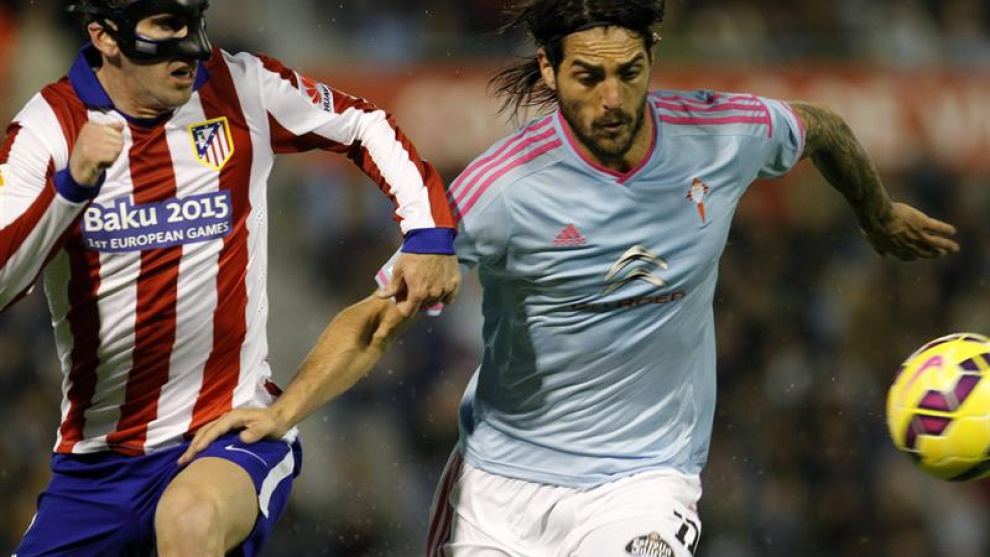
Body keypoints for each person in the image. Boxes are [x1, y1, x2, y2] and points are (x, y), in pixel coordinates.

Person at [183, 0, 962, 555]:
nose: (613, 98)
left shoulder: (722, 134)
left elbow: (821, 126)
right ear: (549, 71)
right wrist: (283, 410)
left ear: (653, 56)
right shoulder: (500, 190)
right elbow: (381, 317)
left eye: (630, 72)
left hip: (644, 480)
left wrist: (877, 213)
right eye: (589, 76)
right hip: (498, 489)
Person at [0, 0, 460, 555]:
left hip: (232, 428)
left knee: (189, 521)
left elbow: (363, 122)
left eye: (195, 21)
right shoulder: (47, 127)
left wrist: (428, 230)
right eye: (168, 26)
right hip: (98, 466)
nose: (194, 46)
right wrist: (70, 189)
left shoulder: (242, 87)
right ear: (106, 37)